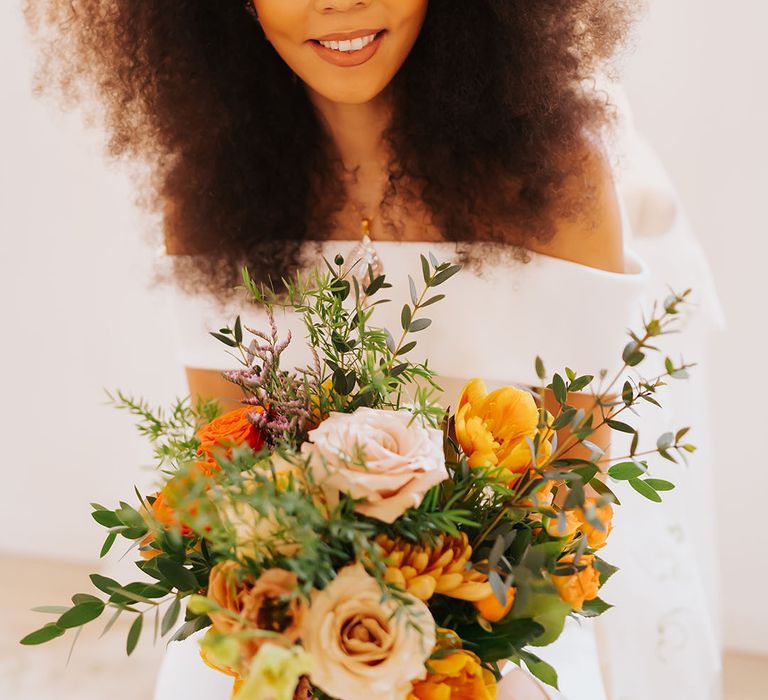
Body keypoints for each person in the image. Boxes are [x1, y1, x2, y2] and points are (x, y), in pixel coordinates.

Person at [23, 1, 722, 698]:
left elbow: (574, 489)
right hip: (286, 625)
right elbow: (224, 470)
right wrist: (309, 633)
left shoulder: (555, 177)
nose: (337, 3)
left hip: (498, 629)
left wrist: (442, 645)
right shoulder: (205, 192)